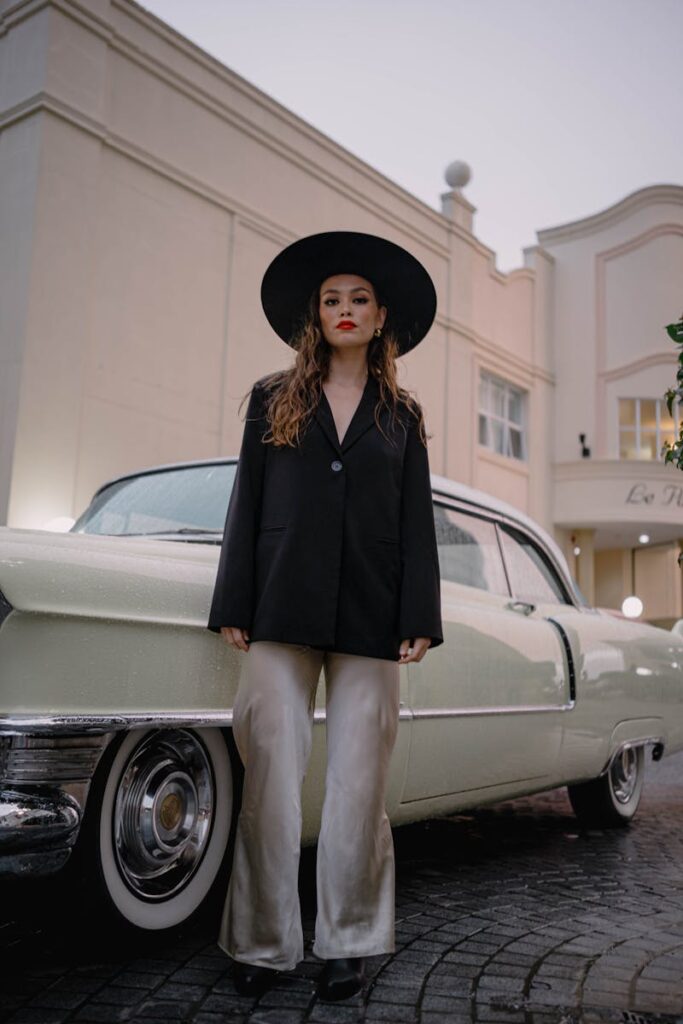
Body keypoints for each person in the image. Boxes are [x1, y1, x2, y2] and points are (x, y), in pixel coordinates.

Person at [206, 230, 443, 1002]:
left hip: (374, 609)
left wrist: (418, 614)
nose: (344, 310)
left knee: (356, 782)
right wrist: (234, 598)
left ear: (381, 320)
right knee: (270, 768)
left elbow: (415, 523)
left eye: (359, 300)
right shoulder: (271, 397)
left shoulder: (402, 415)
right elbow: (246, 503)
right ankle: (260, 941)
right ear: (316, 315)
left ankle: (348, 940)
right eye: (332, 299)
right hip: (278, 603)